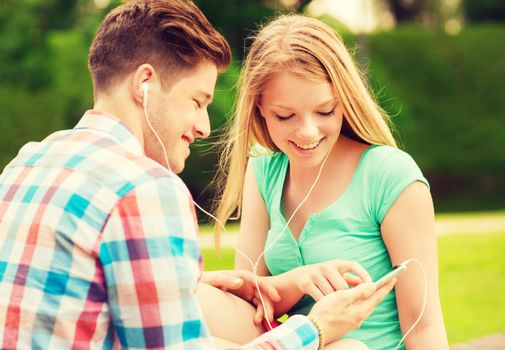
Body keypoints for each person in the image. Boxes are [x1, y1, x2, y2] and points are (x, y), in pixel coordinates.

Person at [0, 1, 394, 349]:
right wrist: (315, 329)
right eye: (197, 100)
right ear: (145, 84)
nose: (205, 125)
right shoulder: (145, 188)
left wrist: (194, 282)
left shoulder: (27, 163)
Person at [211, 14, 449, 350]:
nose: (307, 132)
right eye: (285, 115)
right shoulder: (264, 170)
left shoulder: (388, 175)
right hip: (297, 342)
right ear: (259, 106)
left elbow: (424, 324)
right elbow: (252, 302)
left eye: (325, 111)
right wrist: (299, 282)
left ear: (345, 100)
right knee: (200, 300)